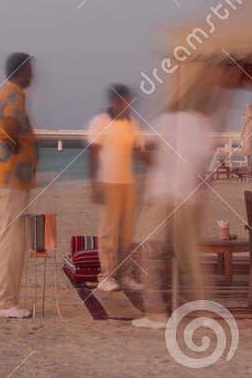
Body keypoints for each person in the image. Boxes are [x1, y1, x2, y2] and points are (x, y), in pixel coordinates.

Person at [131, 93, 218, 329]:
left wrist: (150, 160)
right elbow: (202, 170)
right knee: (190, 257)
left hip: (162, 195)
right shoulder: (202, 125)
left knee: (148, 252)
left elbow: (146, 150)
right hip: (187, 197)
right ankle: (204, 312)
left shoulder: (167, 120)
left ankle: (156, 314)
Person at [0, 53, 38, 319]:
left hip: (11, 177)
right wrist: (12, 142)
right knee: (11, 240)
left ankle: (6, 300)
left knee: (11, 237)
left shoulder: (6, 94)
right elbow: (5, 125)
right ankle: (3, 302)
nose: (34, 75)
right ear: (21, 71)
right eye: (30, 70)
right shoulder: (12, 95)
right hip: (12, 178)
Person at [87, 85, 143, 293]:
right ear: (114, 101)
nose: (128, 106)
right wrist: (94, 185)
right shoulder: (100, 122)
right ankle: (106, 277)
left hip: (128, 184)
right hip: (108, 183)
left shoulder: (132, 123)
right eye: (124, 102)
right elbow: (93, 154)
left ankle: (124, 275)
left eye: (129, 102)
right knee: (108, 233)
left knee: (126, 233)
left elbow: (139, 151)